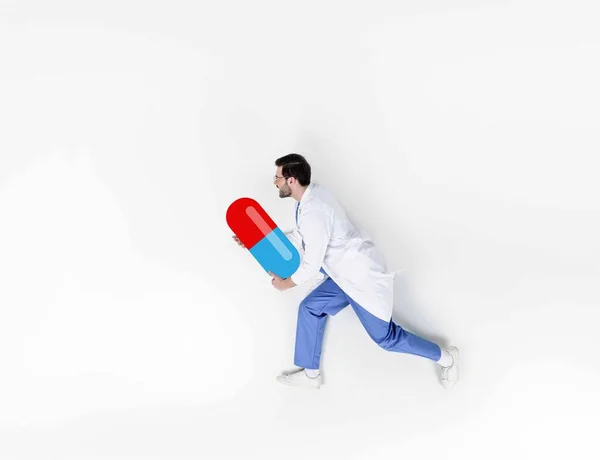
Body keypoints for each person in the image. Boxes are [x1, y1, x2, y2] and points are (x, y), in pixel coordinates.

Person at [232, 154, 459, 390]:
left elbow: (310, 264)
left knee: (387, 338)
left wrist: (285, 284)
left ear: (291, 180)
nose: (275, 183)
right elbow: (301, 238)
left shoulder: (314, 211)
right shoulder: (309, 200)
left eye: (277, 178)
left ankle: (448, 358)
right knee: (310, 308)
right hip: (343, 277)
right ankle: (311, 375)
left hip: (361, 279)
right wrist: (253, 240)